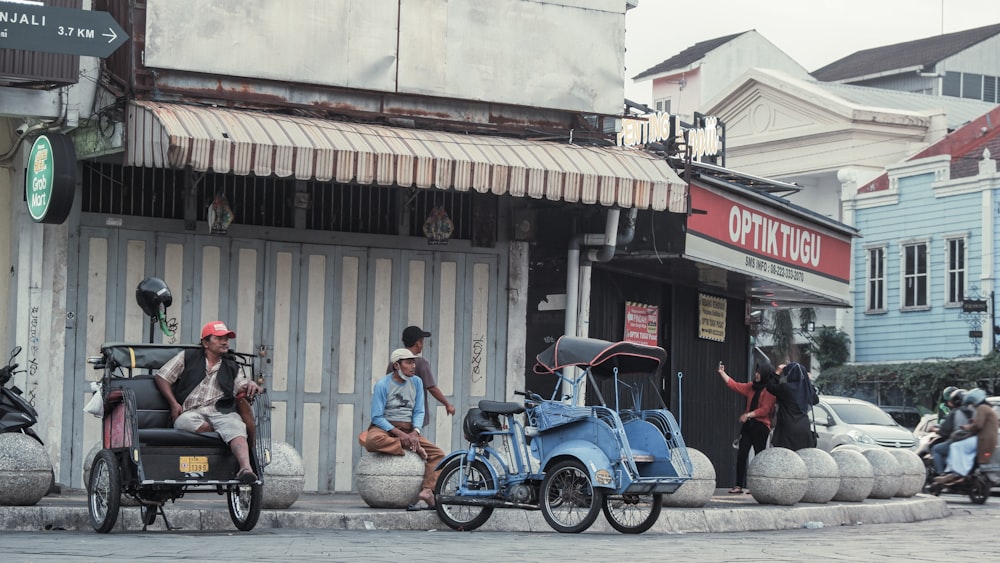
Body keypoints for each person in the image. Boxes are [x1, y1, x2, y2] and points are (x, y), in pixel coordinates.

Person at [154, 321, 262, 483]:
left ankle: (246, 468)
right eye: (219, 338)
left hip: (221, 411)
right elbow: (162, 377)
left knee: (236, 425)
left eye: (226, 338)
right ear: (205, 343)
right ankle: (223, 432)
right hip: (193, 412)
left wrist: (251, 384)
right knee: (183, 422)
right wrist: (173, 403)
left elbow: (241, 386)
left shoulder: (232, 365)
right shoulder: (188, 356)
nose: (225, 342)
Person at [366, 348, 446, 511]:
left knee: (438, 455)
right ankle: (410, 447)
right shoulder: (382, 384)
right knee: (371, 440)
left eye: (413, 363)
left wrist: (415, 432)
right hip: (385, 427)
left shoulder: (417, 382)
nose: (413, 366)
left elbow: (419, 411)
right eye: (408, 363)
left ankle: (427, 490)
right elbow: (377, 416)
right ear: (397, 365)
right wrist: (402, 436)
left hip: (409, 429)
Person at [717, 362, 776, 494]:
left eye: (759, 372)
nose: (756, 374)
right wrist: (722, 373)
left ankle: (756, 486)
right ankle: (738, 485)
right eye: (756, 371)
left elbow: (765, 410)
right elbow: (735, 385)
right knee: (742, 454)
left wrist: (748, 414)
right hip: (749, 425)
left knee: (759, 456)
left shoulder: (770, 390)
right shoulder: (752, 387)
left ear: (765, 374)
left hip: (761, 426)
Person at [385, 326, 455, 424]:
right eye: (422, 342)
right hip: (414, 416)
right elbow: (432, 388)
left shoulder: (394, 363)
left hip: (394, 415)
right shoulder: (420, 363)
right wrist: (447, 404)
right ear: (418, 343)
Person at [935, 388, 999, 486]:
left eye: (972, 402)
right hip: (987, 440)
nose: (972, 405)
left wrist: (967, 427)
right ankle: (962, 471)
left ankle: (956, 472)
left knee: (955, 446)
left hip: (982, 439)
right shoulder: (989, 408)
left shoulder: (982, 408)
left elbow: (978, 425)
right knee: (965, 451)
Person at [765, 361, 819, 451]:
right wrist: (808, 382)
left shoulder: (786, 388)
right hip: (804, 428)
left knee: (786, 457)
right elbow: (815, 400)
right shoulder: (807, 390)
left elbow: (770, 387)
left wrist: (777, 373)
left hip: (787, 427)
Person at [930, 388, 971, 476]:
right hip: (972, 441)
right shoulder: (974, 411)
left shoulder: (954, 412)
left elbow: (944, 430)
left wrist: (936, 430)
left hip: (958, 441)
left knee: (936, 449)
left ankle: (941, 473)